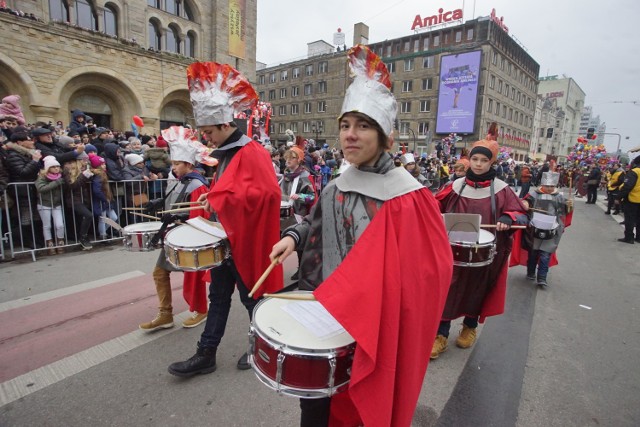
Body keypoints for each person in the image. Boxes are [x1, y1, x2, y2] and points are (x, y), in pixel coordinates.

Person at [269, 45, 452, 427]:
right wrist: (295, 238)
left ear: (385, 136)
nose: (350, 135)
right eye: (345, 125)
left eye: (363, 126)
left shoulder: (409, 197)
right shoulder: (338, 184)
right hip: (323, 309)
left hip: (371, 325)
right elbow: (316, 223)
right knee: (315, 403)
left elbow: (430, 272)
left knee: (358, 406)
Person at [167, 61, 283, 377]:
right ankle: (206, 354)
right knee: (217, 298)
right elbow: (230, 190)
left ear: (222, 125)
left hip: (243, 243)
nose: (206, 139)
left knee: (251, 300)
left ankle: (266, 348)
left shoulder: (252, 151)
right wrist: (212, 197)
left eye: (207, 132)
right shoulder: (225, 155)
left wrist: (220, 196)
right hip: (223, 238)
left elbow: (266, 195)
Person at [431, 123, 528, 360]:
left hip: (486, 252)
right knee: (448, 289)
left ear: (491, 163)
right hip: (454, 249)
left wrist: (508, 217)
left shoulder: (503, 190)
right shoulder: (454, 186)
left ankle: (469, 327)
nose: (478, 164)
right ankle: (441, 334)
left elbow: (521, 214)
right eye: (474, 159)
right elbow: (434, 206)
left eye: (483, 161)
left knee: (477, 290)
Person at [140, 126, 211, 331]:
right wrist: (158, 203)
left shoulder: (197, 184)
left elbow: (199, 215)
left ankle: (201, 310)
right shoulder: (181, 181)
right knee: (159, 272)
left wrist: (180, 217)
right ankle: (165, 314)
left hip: (189, 237)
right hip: (174, 233)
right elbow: (174, 203)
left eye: (177, 163)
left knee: (194, 274)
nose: (174, 167)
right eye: (173, 163)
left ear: (188, 164)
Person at [510, 172, 573, 287]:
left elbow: (564, 212)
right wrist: (525, 204)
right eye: (547, 186)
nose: (549, 188)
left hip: (551, 229)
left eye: (552, 186)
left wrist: (569, 206)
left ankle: (542, 278)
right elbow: (525, 205)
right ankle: (530, 272)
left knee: (545, 254)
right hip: (534, 228)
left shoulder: (559, 197)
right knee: (533, 253)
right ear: (542, 184)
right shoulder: (534, 195)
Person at [35, 156, 66, 255]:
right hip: (44, 204)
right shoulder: (42, 177)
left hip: (56, 204)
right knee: (47, 226)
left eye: (57, 166)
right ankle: (50, 244)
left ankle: (60, 242)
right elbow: (41, 188)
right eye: (53, 167)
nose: (56, 168)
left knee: (60, 225)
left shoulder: (61, 177)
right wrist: (56, 183)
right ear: (48, 168)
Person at [617, 156, 640, 244]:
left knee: (630, 219)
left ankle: (629, 237)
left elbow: (627, 186)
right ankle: (639, 237)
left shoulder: (635, 172)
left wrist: (619, 197)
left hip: (633, 199)